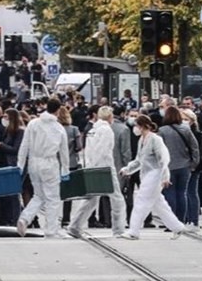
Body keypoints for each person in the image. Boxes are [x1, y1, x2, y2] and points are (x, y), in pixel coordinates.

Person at [119, 115, 186, 240]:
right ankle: (177, 227)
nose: (135, 128)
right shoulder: (142, 140)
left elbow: (164, 159)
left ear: (143, 126)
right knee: (159, 203)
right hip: (147, 175)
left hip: (156, 174)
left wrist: (166, 176)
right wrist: (127, 169)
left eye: (136, 126)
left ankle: (133, 231)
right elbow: (139, 160)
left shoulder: (156, 139)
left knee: (141, 201)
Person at [67, 106, 127, 237]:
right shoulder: (107, 131)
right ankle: (119, 229)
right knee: (117, 199)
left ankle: (75, 226)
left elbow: (88, 151)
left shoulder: (92, 130)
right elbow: (104, 151)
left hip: (92, 167)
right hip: (104, 169)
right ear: (110, 117)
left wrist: (90, 167)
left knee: (91, 199)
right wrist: (102, 169)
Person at [17, 98, 69, 238]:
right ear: (58, 110)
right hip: (49, 163)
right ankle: (51, 230)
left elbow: (25, 145)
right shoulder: (59, 128)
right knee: (53, 198)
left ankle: (25, 218)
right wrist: (65, 170)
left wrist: (20, 165)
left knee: (38, 195)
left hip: (33, 162)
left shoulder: (33, 124)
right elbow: (64, 152)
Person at [158, 106, 200, 222]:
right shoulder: (186, 129)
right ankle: (181, 220)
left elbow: (159, 150)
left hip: (169, 167)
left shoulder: (162, 131)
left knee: (170, 193)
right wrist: (194, 163)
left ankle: (172, 221)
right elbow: (194, 147)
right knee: (182, 193)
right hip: (185, 166)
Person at [57, 107, 82, 226]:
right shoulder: (74, 130)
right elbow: (79, 147)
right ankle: (66, 218)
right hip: (71, 164)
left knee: (55, 191)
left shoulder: (55, 129)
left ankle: (54, 216)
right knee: (69, 193)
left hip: (56, 163)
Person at [182, 109, 202, 230]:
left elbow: (196, 150)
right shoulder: (183, 132)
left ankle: (193, 220)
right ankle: (187, 218)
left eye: (186, 119)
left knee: (191, 192)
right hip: (185, 165)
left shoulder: (196, 134)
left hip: (193, 166)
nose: (184, 122)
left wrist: (193, 165)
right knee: (186, 192)